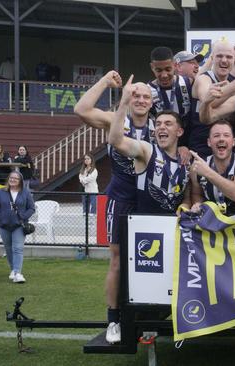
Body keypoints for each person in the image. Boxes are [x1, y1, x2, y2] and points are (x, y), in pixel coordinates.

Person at [74, 70, 155, 344]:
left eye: (146, 96)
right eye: (136, 95)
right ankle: (113, 320)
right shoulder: (115, 119)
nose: (141, 99)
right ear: (129, 98)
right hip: (120, 198)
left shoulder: (161, 126)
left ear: (153, 101)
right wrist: (105, 83)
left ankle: (147, 314)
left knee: (151, 260)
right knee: (118, 260)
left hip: (149, 200)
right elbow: (81, 109)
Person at [110, 76, 189, 216]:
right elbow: (116, 141)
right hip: (145, 225)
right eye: (158, 124)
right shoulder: (147, 150)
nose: (161, 128)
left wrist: (186, 205)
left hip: (173, 225)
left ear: (179, 131)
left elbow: (189, 195)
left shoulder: (187, 160)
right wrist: (123, 102)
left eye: (168, 124)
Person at [188, 120, 235, 216]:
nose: (221, 139)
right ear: (209, 142)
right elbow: (197, 194)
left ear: (233, 142)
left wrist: (208, 173)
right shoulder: (198, 166)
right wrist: (198, 204)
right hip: (210, 222)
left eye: (226, 135)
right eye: (216, 136)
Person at [0, 171, 35, 283]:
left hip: (19, 225)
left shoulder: (25, 192)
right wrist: (0, 217)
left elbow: (31, 208)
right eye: (11, 177)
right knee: (9, 249)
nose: (13, 180)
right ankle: (13, 269)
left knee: (18, 248)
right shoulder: (1, 192)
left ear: (20, 181)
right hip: (4, 225)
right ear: (8, 179)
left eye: (16, 178)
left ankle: (17, 273)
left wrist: (24, 216)